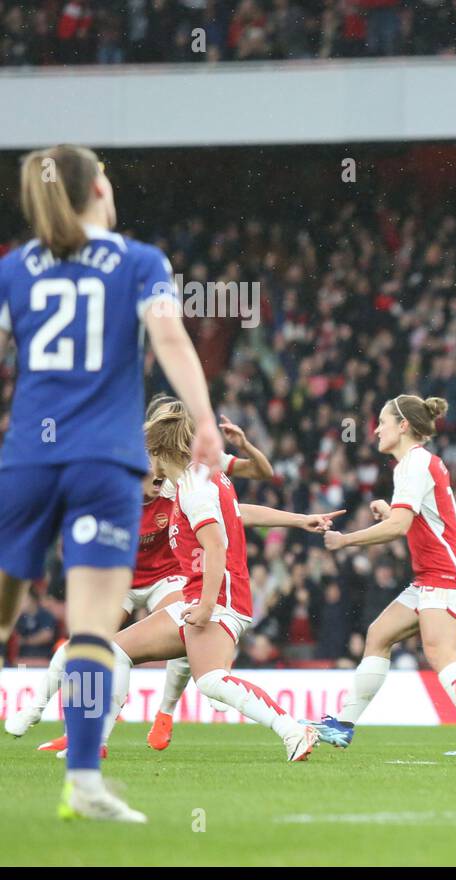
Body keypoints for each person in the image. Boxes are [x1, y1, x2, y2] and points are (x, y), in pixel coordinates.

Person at [0, 145, 222, 822]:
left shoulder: (14, 268)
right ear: (99, 186)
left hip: (28, 461)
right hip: (106, 463)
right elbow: (172, 342)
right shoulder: (138, 261)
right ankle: (85, 782)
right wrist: (205, 422)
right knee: (94, 632)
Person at [6, 397, 277, 754]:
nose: (156, 478)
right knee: (87, 644)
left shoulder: (189, 469)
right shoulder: (114, 471)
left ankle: (164, 713)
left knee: (188, 624)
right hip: (122, 578)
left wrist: (296, 517)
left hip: (168, 576)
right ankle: (41, 711)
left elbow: (241, 503)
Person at [107, 407, 339, 761]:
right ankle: (97, 743)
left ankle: (293, 730)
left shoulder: (194, 487)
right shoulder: (193, 480)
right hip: (205, 595)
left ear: (157, 453)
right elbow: (237, 512)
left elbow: (216, 546)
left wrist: (205, 605)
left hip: (217, 597)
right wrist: (298, 520)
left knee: (212, 681)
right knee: (117, 652)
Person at [309, 395, 456, 756]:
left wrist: (345, 541)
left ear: (403, 426)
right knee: (379, 635)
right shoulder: (415, 465)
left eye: (382, 421)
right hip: (431, 574)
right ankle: (342, 726)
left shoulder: (414, 464)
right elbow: (414, 518)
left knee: (440, 653)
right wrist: (392, 509)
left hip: (446, 573)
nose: (376, 429)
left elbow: (399, 527)